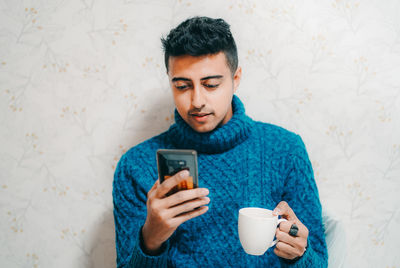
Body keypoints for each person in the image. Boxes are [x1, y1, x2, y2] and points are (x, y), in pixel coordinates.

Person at [112, 16, 328, 267]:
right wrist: (150, 239)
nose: (197, 101)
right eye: (182, 86)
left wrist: (300, 255)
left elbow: (319, 262)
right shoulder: (136, 166)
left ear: (236, 78)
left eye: (211, 84)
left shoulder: (286, 150)